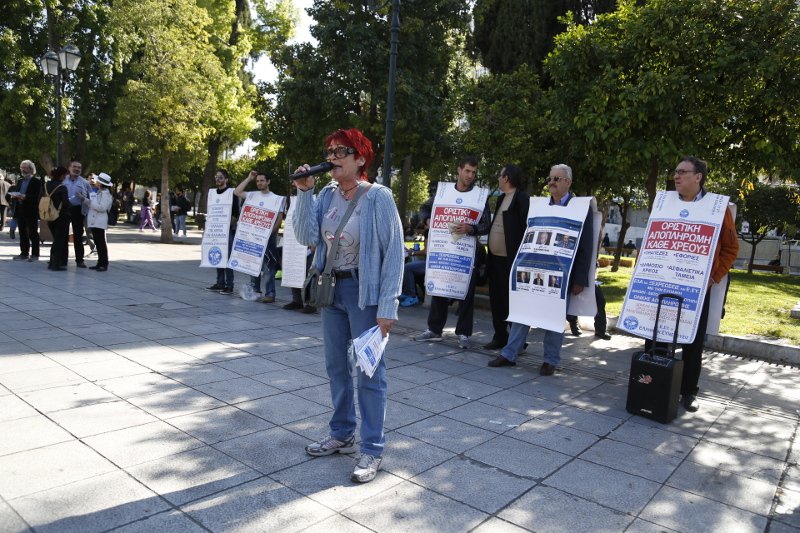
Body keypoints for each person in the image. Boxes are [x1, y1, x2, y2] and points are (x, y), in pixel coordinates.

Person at [292, 128, 403, 484]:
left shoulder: (378, 198)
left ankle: (372, 448)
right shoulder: (325, 194)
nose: (333, 156)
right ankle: (342, 433)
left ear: (360, 158)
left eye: (342, 150)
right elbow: (306, 236)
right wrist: (305, 194)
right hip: (332, 291)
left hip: (364, 293)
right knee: (336, 367)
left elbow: (394, 255)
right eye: (330, 150)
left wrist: (388, 305)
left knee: (370, 372)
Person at [645, 156, 738, 413]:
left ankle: (688, 392)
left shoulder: (717, 207)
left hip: (697, 289)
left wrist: (713, 276)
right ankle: (653, 382)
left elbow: (730, 247)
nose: (676, 176)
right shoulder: (663, 202)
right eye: (675, 172)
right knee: (656, 335)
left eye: (683, 172)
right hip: (662, 282)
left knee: (692, 342)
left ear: (698, 177)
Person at [488, 164, 593, 374]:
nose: (551, 182)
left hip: (560, 276)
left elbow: (586, 245)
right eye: (550, 178)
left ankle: (550, 360)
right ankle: (510, 354)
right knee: (522, 312)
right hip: (533, 270)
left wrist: (580, 278)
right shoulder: (539, 205)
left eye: (557, 178)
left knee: (554, 318)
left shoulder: (581, 208)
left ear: (568, 182)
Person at [414, 156, 491, 349]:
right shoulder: (443, 193)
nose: (470, 176)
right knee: (439, 287)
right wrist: (427, 221)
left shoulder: (480, 197)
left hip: (466, 254)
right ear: (459, 170)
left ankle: (464, 333)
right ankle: (434, 330)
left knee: (466, 293)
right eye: (467, 171)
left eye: (474, 173)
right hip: (443, 249)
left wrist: (471, 228)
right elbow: (424, 208)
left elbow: (486, 225)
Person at [484, 164, 529, 350]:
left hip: (511, 261)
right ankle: (500, 335)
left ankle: (517, 341)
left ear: (507, 178)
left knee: (511, 301)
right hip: (495, 259)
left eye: (500, 175)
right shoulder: (502, 197)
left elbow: (525, 227)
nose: (498, 178)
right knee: (496, 300)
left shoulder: (521, 198)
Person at [233, 170, 283, 303]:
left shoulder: (277, 199)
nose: (259, 183)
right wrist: (249, 178)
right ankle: (255, 291)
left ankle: (270, 293)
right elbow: (237, 192)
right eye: (257, 181)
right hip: (252, 238)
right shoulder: (251, 195)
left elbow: (279, 218)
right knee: (252, 264)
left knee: (269, 266)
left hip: (268, 238)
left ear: (268, 182)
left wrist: (269, 234)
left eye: (262, 180)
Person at [204, 169, 239, 294]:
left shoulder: (232, 193)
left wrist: (227, 225)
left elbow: (236, 213)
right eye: (216, 177)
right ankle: (220, 283)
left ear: (226, 180)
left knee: (228, 258)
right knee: (217, 255)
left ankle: (229, 285)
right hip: (215, 230)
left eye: (220, 177)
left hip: (227, 230)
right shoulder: (212, 193)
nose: (218, 179)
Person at [7, 160, 42, 261]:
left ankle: (35, 254)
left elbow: (37, 197)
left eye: (25, 168)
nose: (23, 170)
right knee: (22, 233)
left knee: (33, 233)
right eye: (22, 168)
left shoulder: (37, 182)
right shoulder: (20, 181)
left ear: (31, 169)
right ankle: (24, 253)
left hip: (31, 210)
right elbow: (18, 192)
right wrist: (15, 196)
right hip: (20, 210)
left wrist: (25, 197)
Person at [81, 172, 114, 271]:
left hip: (99, 221)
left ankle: (103, 264)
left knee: (101, 244)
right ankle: (100, 263)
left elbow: (102, 207)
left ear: (100, 183)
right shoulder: (100, 192)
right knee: (99, 243)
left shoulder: (105, 194)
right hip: (96, 221)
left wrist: (88, 202)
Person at [64, 160, 92, 267]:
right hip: (65, 209)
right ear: (69, 168)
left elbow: (91, 197)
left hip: (78, 210)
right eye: (74, 167)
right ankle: (62, 258)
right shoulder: (63, 180)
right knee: (62, 235)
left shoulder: (85, 183)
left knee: (78, 236)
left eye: (79, 168)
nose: (77, 169)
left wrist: (84, 198)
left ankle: (80, 260)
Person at [45, 166, 71, 271]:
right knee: (59, 240)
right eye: (65, 175)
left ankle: (52, 262)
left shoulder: (46, 185)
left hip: (49, 215)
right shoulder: (62, 187)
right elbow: (66, 203)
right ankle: (55, 264)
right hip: (61, 216)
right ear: (62, 175)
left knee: (56, 239)